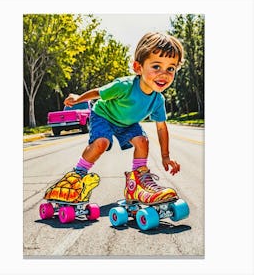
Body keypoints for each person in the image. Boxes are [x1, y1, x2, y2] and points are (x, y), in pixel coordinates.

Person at [58, 32, 184, 204]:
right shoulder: (124, 86)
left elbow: (161, 127)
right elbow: (98, 92)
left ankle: (138, 182)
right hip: (104, 116)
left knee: (142, 141)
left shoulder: (158, 99)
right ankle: (76, 176)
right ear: (138, 67)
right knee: (101, 143)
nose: (164, 74)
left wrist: (165, 156)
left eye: (171, 68)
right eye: (156, 66)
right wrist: (77, 99)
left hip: (127, 123)